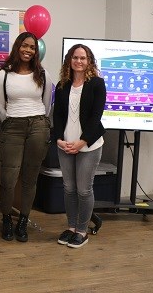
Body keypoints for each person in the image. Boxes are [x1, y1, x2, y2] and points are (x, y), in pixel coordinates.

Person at [0, 31, 53, 243]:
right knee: (8, 178)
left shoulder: (43, 74)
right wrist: (12, 121)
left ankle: (23, 221)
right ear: (18, 47)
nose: (28, 50)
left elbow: (47, 105)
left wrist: (39, 122)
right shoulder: (4, 74)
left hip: (38, 125)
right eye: (25, 46)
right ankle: (7, 218)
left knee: (30, 178)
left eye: (32, 48)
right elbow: (1, 106)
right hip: (13, 126)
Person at [53, 44, 106, 249]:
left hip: (89, 145)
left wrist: (82, 142)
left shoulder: (97, 84)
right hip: (65, 144)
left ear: (89, 61)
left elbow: (96, 117)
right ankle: (72, 228)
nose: (79, 61)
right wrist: (58, 138)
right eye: (75, 57)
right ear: (69, 60)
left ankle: (82, 231)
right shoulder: (62, 84)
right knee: (69, 189)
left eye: (83, 58)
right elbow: (57, 115)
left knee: (84, 190)